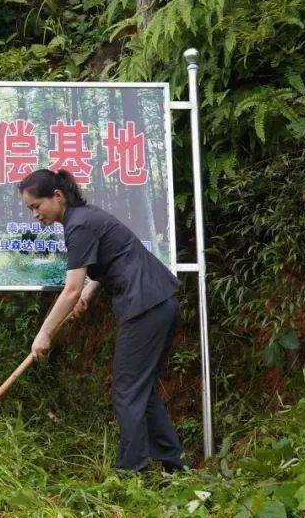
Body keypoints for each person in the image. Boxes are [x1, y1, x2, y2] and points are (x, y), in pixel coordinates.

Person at [19, 168, 187, 473]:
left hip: (145, 307)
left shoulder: (79, 224)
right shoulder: (85, 218)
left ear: (56, 196)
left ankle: (131, 473)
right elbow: (113, 260)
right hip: (159, 303)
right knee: (140, 389)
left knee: (126, 391)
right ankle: (173, 465)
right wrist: (88, 292)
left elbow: (69, 290)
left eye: (36, 206)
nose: (35, 215)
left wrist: (44, 333)